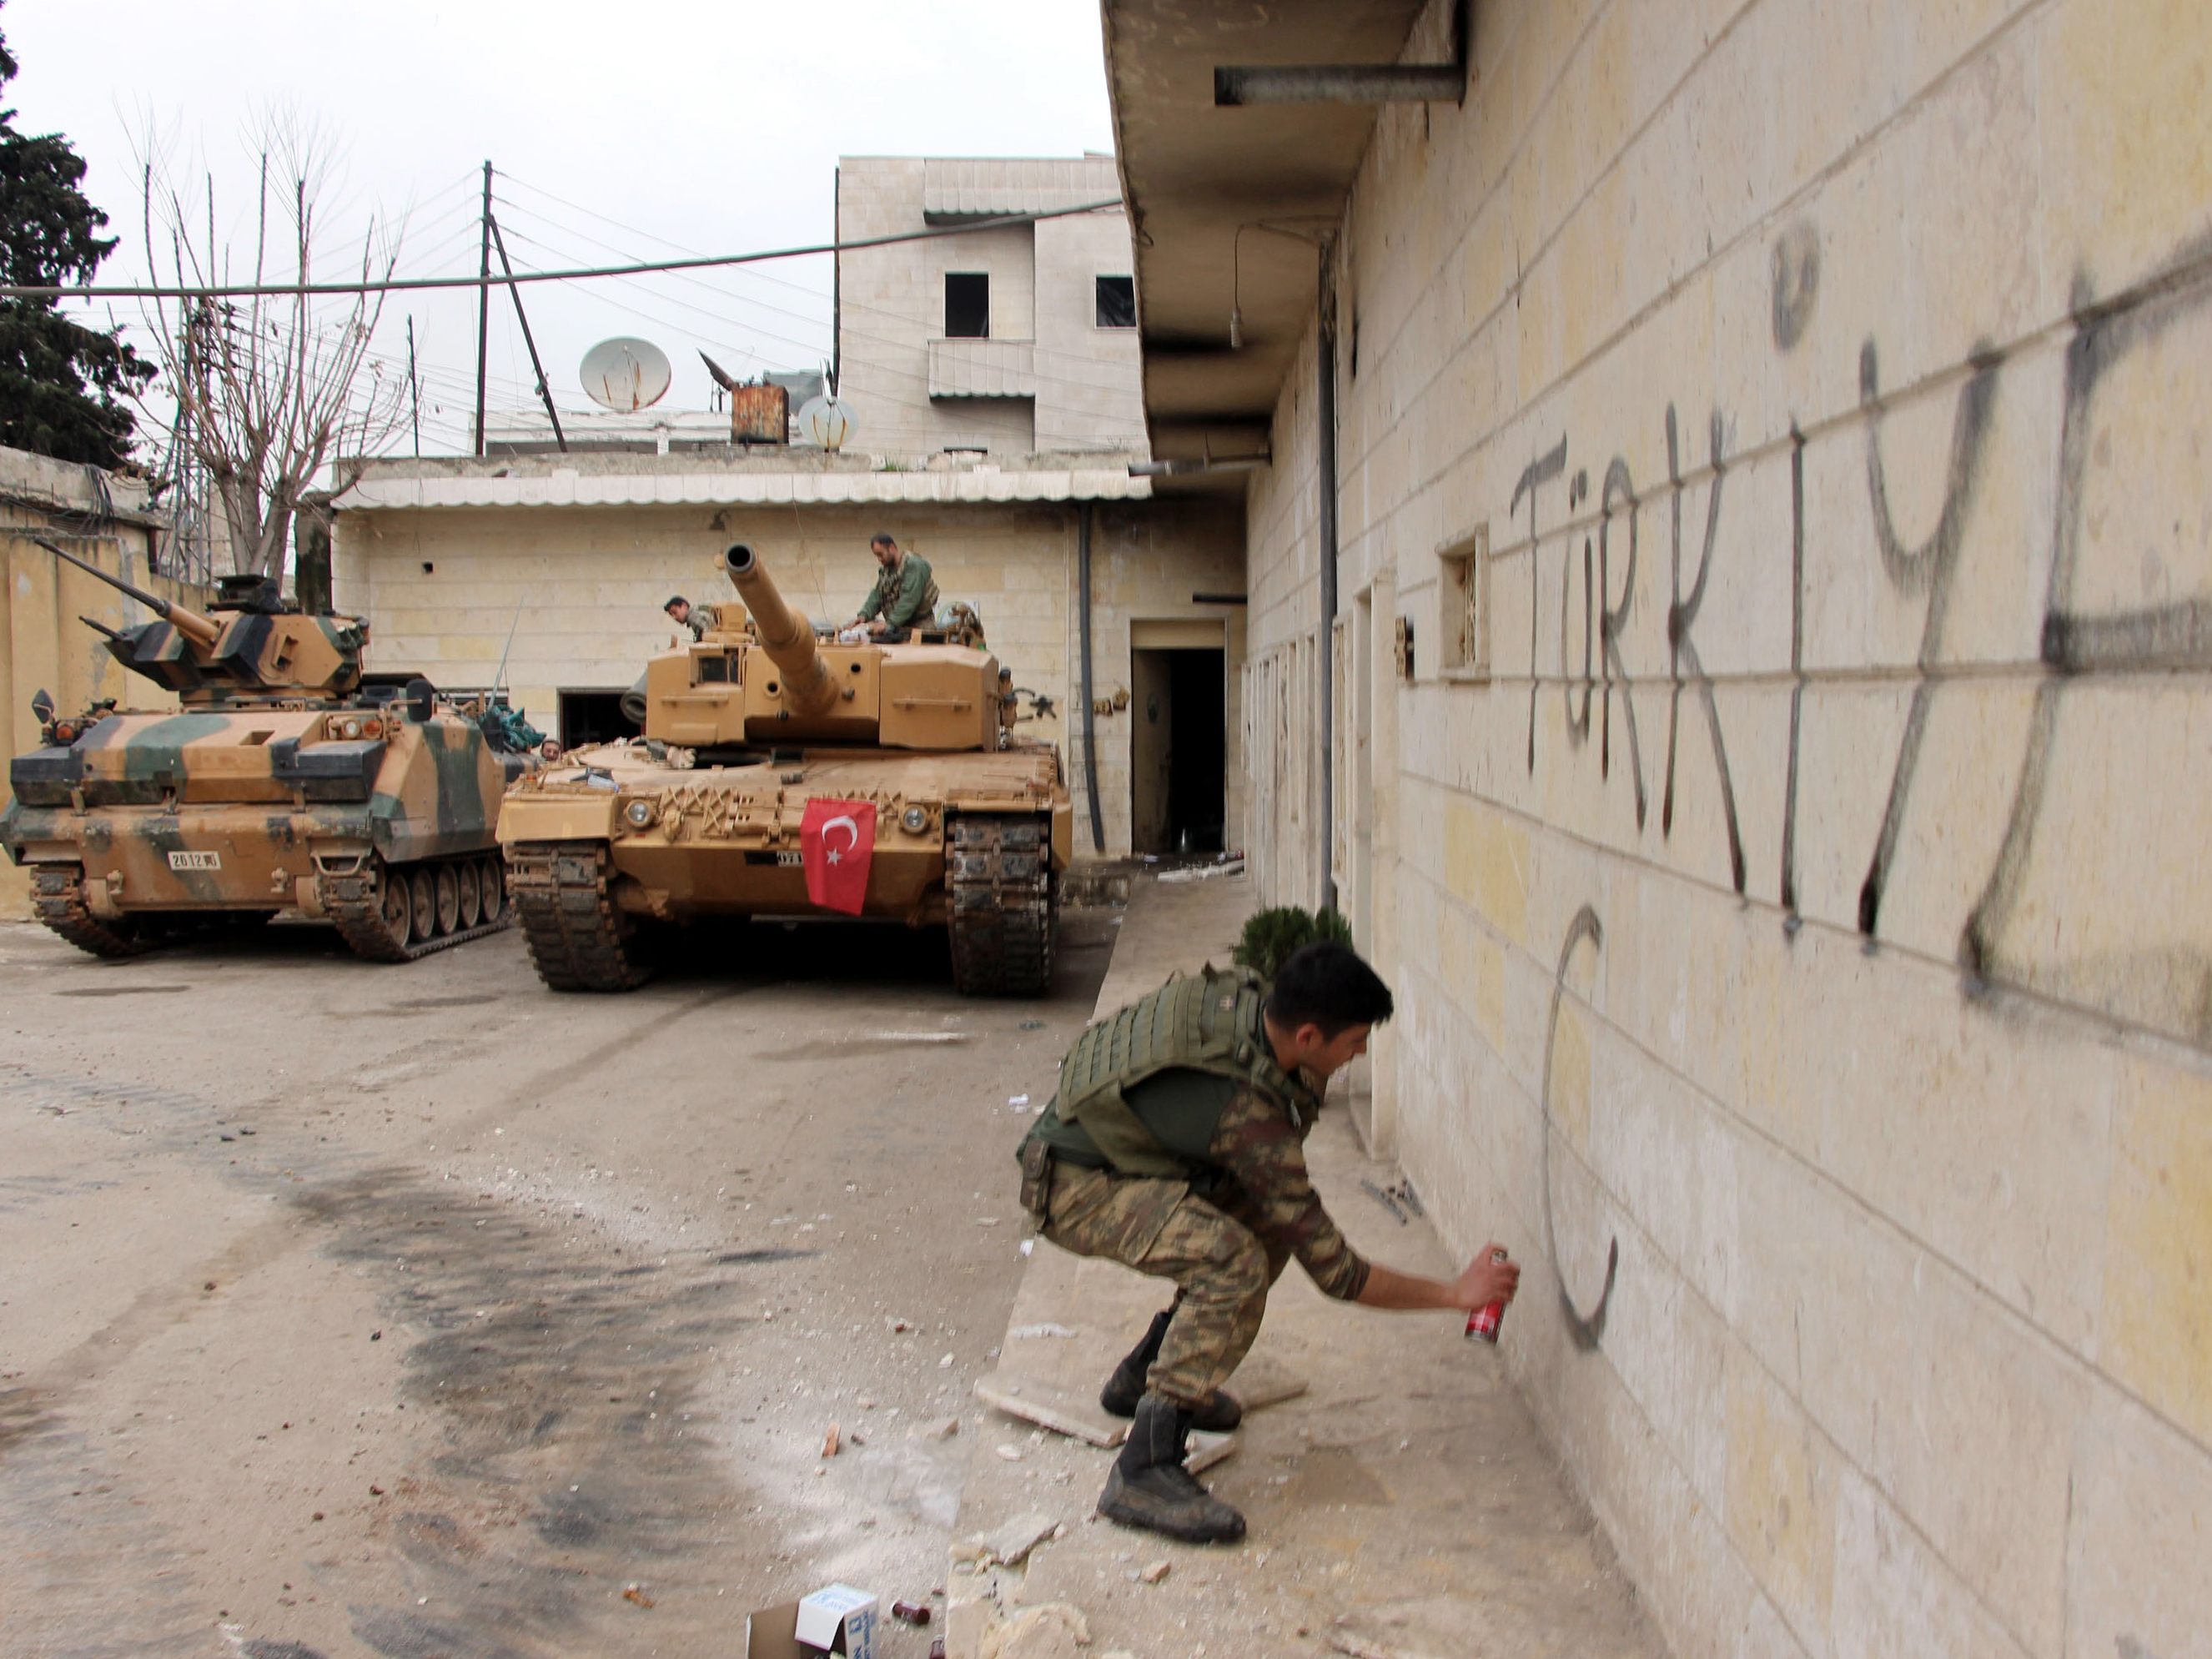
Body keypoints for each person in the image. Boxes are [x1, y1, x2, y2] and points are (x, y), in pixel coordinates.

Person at [1016, 942, 1520, 1546]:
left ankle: (1145, 1377)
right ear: (1309, 1035)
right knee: (1233, 1262)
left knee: (1267, 1228)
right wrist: (1454, 1293)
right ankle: (1145, 1466)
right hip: (1073, 1185)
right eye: (1355, 1041)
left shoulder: (1252, 1004)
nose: (1360, 1053)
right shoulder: (1247, 1112)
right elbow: (1338, 1274)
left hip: (1108, 1150)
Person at [847, 532, 938, 641]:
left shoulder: (914, 565)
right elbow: (877, 595)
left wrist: (890, 623)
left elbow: (909, 599)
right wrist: (864, 615)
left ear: (892, 548)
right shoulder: (886, 571)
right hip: (898, 630)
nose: (879, 559)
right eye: (876, 556)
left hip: (920, 630)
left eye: (881, 554)